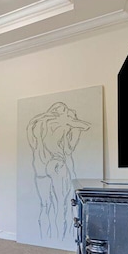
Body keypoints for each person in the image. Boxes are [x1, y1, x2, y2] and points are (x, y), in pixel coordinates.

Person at [27, 102, 91, 239]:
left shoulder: (36, 122)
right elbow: (83, 129)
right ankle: (58, 239)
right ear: (62, 112)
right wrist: (73, 122)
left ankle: (43, 238)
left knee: (44, 205)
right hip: (56, 163)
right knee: (61, 205)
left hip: (39, 166)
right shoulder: (64, 121)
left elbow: (33, 144)